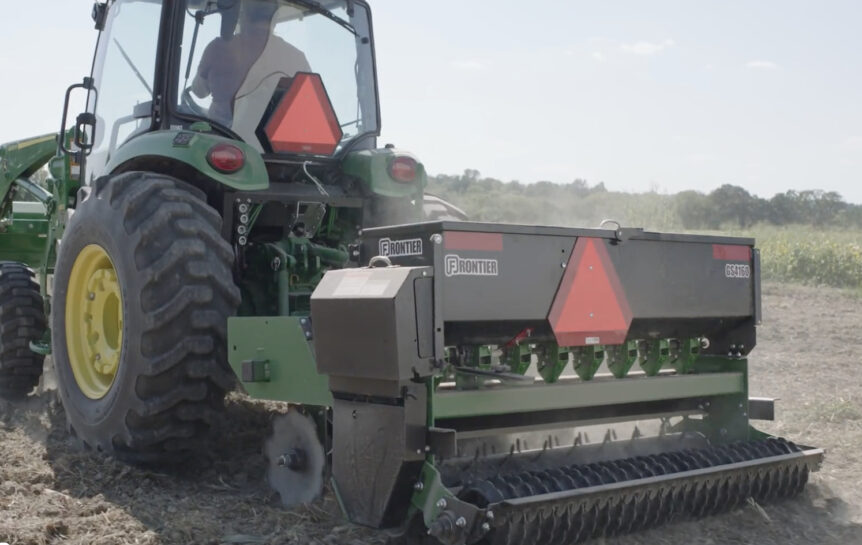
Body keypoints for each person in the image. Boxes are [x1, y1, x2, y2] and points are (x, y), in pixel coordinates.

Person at [192, 0, 311, 130]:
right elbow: (308, 110)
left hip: (220, 139)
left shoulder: (217, 48)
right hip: (269, 147)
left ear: (241, 14)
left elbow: (199, 91)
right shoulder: (295, 58)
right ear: (275, 18)